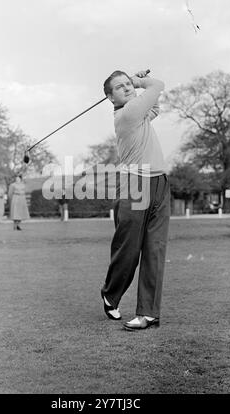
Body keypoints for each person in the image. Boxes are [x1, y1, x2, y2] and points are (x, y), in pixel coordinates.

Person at [100, 69, 170, 331]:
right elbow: (158, 85)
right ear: (110, 97)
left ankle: (148, 314)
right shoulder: (127, 115)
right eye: (120, 87)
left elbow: (155, 104)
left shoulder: (139, 114)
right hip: (135, 185)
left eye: (128, 84)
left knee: (155, 249)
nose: (128, 88)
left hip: (160, 182)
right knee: (128, 251)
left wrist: (136, 85)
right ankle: (110, 293)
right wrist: (140, 81)